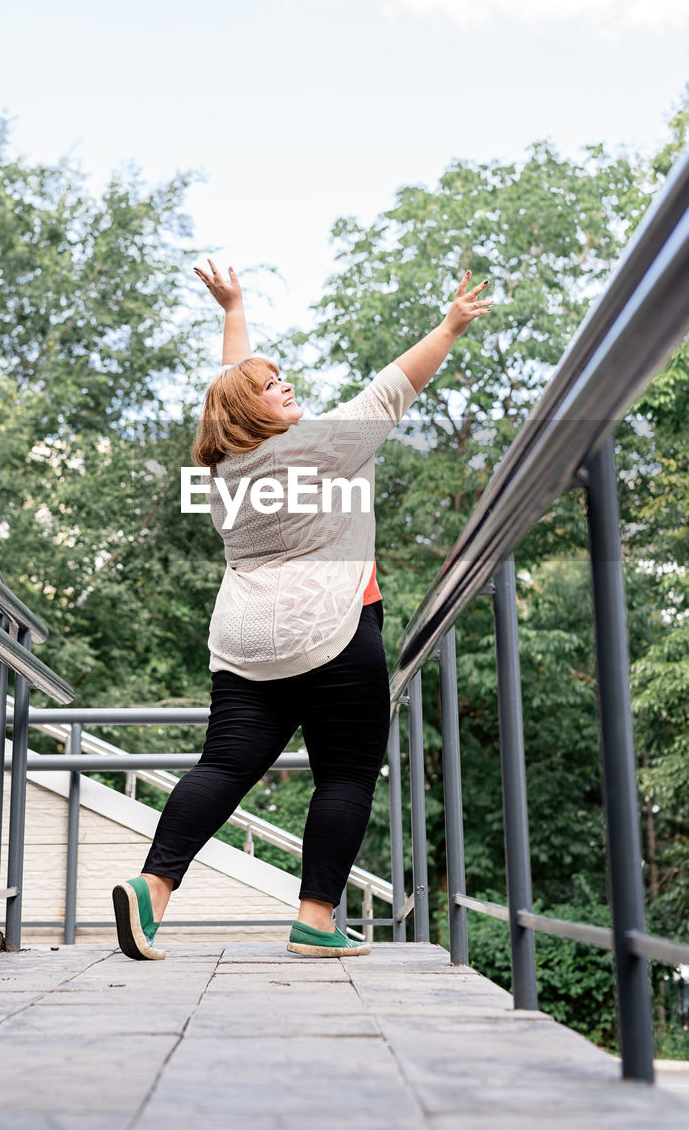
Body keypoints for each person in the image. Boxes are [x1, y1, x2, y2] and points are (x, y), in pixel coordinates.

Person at [113, 261, 492, 960]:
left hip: (247, 641)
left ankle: (153, 889)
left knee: (223, 766)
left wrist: (233, 309)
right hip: (336, 630)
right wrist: (448, 326)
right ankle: (316, 920)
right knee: (344, 775)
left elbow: (232, 384)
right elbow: (394, 386)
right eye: (273, 386)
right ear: (253, 410)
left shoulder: (224, 469)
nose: (285, 386)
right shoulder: (324, 444)